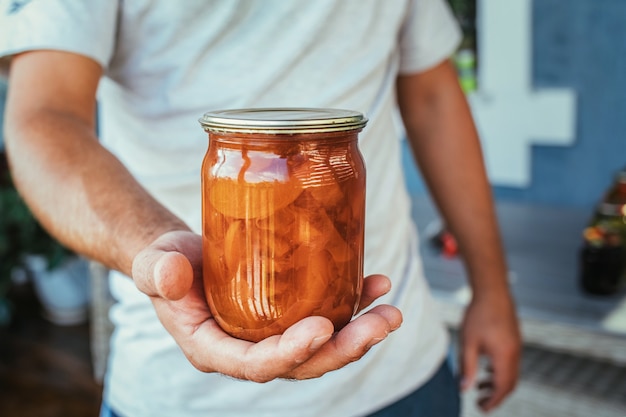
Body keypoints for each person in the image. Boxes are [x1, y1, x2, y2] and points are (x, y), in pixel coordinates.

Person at [0, 1, 521, 416]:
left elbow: (432, 94)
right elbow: (43, 117)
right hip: (183, 393)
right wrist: (156, 250)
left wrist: (492, 291)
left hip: (399, 370)